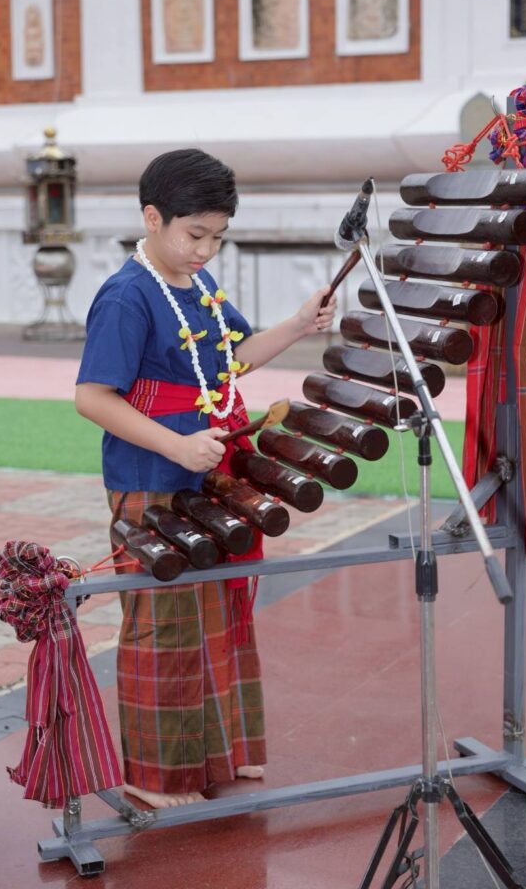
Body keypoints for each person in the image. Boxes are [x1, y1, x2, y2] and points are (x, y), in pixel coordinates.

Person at [75, 148, 336, 809]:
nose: (205, 250)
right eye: (195, 235)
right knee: (163, 622)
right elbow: (92, 397)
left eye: (217, 237)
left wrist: (298, 324)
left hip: (209, 471)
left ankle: (219, 752)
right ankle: (153, 774)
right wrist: (176, 444)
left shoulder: (200, 286)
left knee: (219, 610)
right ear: (153, 218)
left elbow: (232, 360)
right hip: (152, 476)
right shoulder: (127, 295)